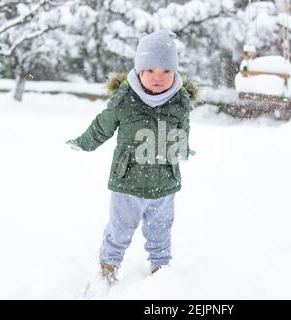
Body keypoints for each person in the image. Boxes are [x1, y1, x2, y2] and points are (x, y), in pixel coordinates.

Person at [66, 30, 197, 285]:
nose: (158, 77)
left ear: (175, 72)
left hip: (165, 182)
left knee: (160, 231)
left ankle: (161, 271)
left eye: (166, 71)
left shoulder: (180, 102)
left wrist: (183, 150)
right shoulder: (125, 100)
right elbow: (102, 125)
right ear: (138, 71)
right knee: (120, 229)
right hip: (128, 182)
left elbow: (183, 130)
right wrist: (84, 143)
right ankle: (108, 268)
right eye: (150, 70)